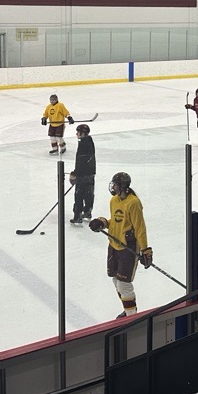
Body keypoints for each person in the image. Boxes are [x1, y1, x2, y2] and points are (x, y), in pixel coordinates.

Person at [89, 172, 151, 318]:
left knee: (124, 284)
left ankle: (131, 315)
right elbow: (116, 221)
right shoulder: (114, 201)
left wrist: (145, 250)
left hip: (128, 248)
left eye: (115, 184)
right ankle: (129, 309)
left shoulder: (133, 203)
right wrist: (102, 222)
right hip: (114, 246)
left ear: (122, 186)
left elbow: (140, 228)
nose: (113, 187)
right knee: (116, 280)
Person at [69, 124, 96, 225]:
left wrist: (75, 173)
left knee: (79, 195)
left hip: (83, 175)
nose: (76, 134)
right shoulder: (89, 141)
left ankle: (78, 216)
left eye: (78, 132)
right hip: (91, 173)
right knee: (89, 194)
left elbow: (81, 161)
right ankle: (87, 212)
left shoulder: (83, 143)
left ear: (82, 133)